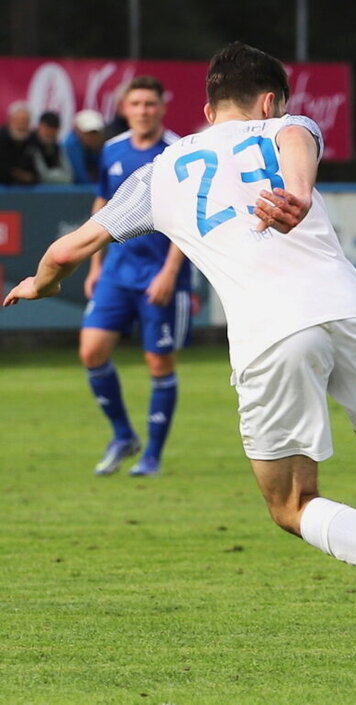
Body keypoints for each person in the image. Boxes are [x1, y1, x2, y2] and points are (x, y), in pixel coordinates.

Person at [4, 42, 356, 638]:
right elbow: (297, 140)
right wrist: (300, 194)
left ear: (206, 111)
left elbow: (65, 250)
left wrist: (42, 285)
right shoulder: (285, 126)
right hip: (350, 310)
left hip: (271, 331)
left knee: (292, 504)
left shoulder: (158, 173)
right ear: (269, 99)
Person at [80, 75, 190, 478]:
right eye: (136, 103)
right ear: (125, 108)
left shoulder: (177, 152)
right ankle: (123, 435)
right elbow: (102, 204)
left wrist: (170, 271)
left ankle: (153, 456)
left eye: (150, 103)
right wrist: (94, 263)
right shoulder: (112, 149)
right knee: (91, 351)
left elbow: (185, 218)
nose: (143, 110)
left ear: (162, 107)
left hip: (159, 276)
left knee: (157, 362)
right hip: (116, 272)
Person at [0, 101, 40, 185]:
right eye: (18, 120)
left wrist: (31, 177)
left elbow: (38, 167)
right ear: (10, 120)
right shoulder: (2, 138)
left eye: (25, 120)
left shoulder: (33, 140)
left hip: (28, 191)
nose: (21, 124)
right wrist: (16, 175)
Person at [64, 109, 106, 185]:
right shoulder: (71, 145)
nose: (93, 137)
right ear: (78, 130)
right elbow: (81, 177)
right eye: (88, 133)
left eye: (95, 132)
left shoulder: (100, 145)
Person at [32, 111, 74, 184]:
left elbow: (69, 176)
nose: (49, 133)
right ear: (39, 127)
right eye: (47, 129)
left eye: (53, 130)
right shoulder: (30, 145)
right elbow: (42, 175)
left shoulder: (58, 147)